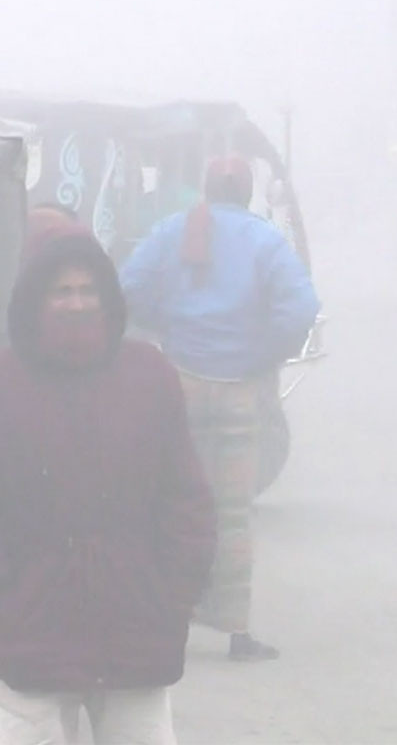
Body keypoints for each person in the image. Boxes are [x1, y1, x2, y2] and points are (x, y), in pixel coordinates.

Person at [0, 223, 216, 745]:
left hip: (136, 630)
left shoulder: (149, 377)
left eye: (88, 290)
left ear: (108, 296)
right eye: (61, 291)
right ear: (34, 299)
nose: (76, 304)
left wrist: (175, 599)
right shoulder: (7, 383)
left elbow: (185, 501)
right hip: (28, 636)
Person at [120, 155, 320, 661]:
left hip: (181, 383)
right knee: (230, 512)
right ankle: (235, 631)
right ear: (249, 191)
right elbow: (300, 307)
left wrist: (164, 324)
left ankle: (169, 617)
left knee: (174, 504)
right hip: (241, 389)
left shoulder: (172, 230)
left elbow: (128, 289)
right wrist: (265, 353)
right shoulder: (265, 240)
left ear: (204, 189)